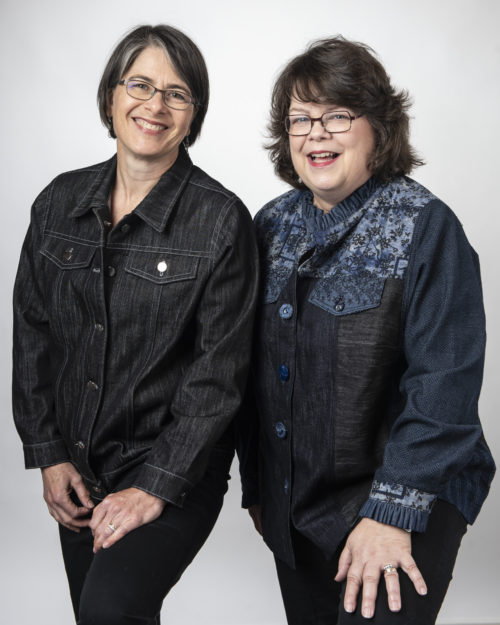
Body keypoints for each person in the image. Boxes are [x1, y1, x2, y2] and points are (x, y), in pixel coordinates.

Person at [237, 36, 495, 625]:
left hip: (412, 488)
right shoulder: (268, 227)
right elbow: (246, 373)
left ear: (379, 128)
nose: (316, 134)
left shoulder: (426, 228)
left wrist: (389, 515)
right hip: (299, 500)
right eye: (300, 118)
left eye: (337, 115)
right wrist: (260, 487)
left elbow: (445, 384)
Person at [12, 24, 258, 624]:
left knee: (109, 608)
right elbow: (32, 338)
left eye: (177, 93)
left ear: (194, 114)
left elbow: (218, 377)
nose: (155, 105)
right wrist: (48, 454)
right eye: (140, 84)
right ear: (110, 98)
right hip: (78, 467)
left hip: (174, 469)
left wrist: (153, 486)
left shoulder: (223, 222)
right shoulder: (56, 203)